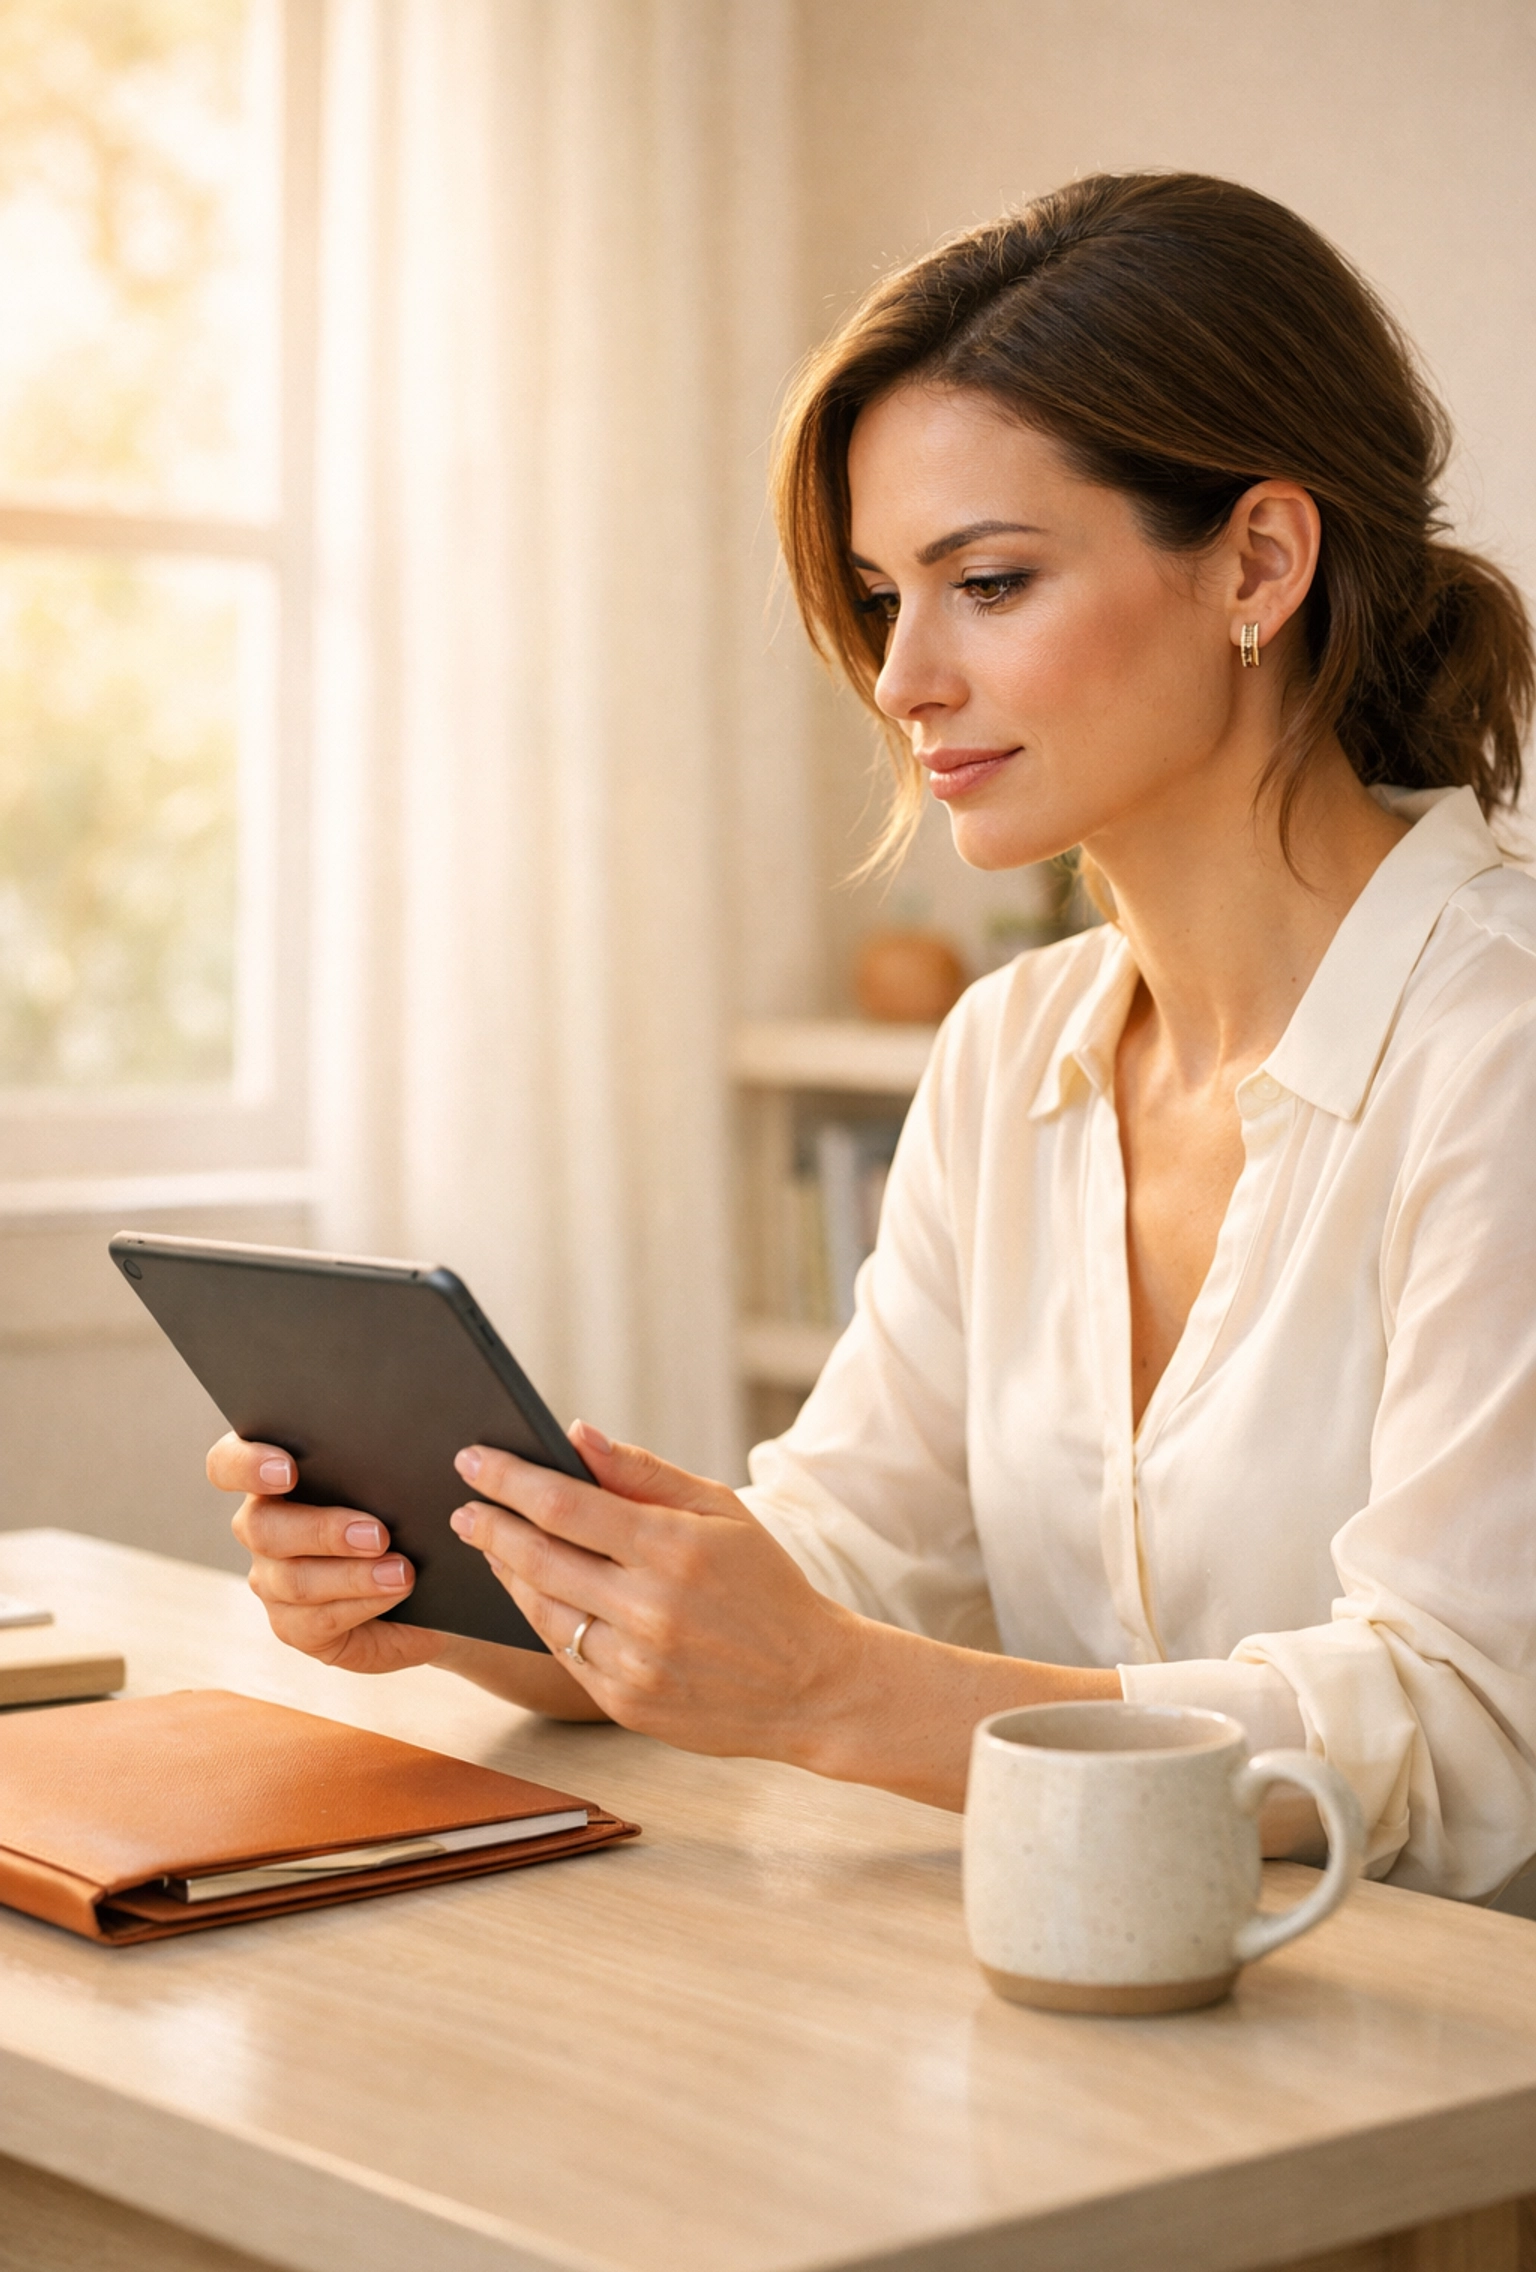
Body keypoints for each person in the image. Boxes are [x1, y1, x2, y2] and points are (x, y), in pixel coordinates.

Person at [209, 173, 1536, 1902]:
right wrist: (479, 1603)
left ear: (1258, 565)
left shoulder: (1495, 1051)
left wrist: (831, 1691)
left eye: (985, 583)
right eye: (882, 595)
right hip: (1099, 2007)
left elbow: (1470, 1733)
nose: (902, 677)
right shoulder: (1015, 1052)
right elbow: (850, 1564)